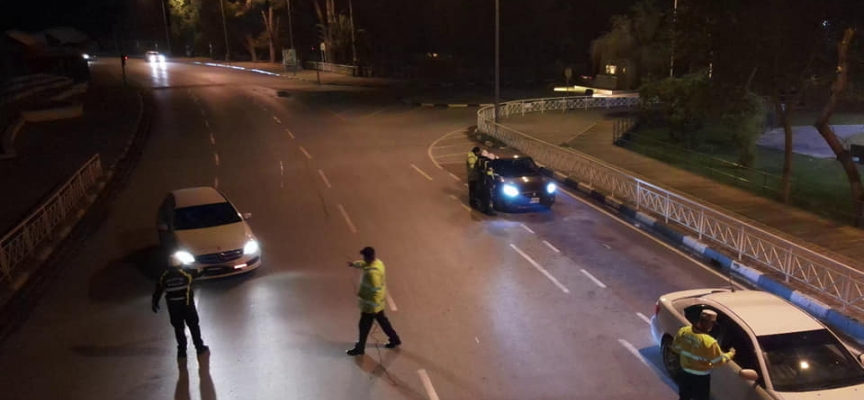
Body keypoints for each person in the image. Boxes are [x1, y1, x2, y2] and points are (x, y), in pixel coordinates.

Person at [345, 246, 401, 356]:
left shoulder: (372, 274)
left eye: (364, 257)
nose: (363, 259)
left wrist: (372, 308)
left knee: (363, 327)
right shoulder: (378, 263)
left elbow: (375, 291)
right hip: (377, 305)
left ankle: (360, 349)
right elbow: (364, 264)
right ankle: (395, 339)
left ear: (368, 257)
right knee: (383, 322)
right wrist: (354, 264)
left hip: (370, 307)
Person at [152, 257, 209, 359]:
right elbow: (196, 274)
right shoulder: (185, 274)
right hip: (187, 306)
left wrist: (155, 302)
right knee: (193, 326)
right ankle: (199, 347)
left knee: (178, 328)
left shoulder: (164, 277)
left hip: (173, 308)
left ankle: (182, 351)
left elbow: (158, 290)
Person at [671, 309, 735, 400]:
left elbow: (675, 348)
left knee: (684, 397)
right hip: (700, 379)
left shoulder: (684, 331)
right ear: (710, 323)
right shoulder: (709, 342)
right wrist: (731, 354)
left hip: (684, 374)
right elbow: (718, 361)